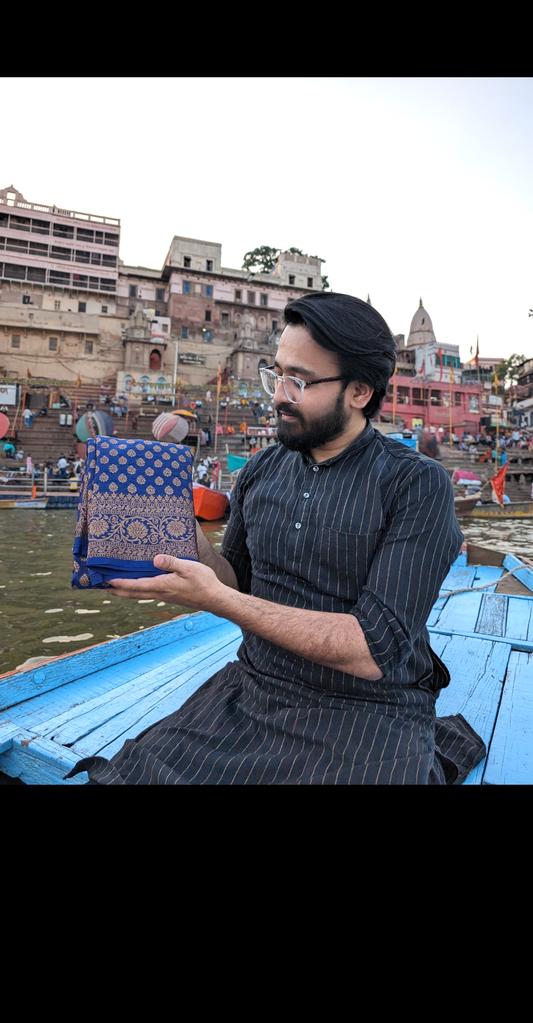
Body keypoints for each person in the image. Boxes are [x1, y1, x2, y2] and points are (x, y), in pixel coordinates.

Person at [67, 292, 485, 787]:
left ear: (359, 391)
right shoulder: (261, 470)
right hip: (256, 687)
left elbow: (370, 652)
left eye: (299, 381)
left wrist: (217, 600)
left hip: (369, 708)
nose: (279, 394)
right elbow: (237, 581)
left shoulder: (416, 484)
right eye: (277, 374)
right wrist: (188, 542)